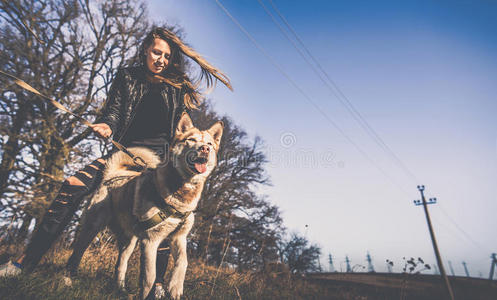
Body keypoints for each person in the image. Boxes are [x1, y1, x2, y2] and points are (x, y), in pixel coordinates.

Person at [0, 27, 231, 287]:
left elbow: (182, 131)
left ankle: (157, 286)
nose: (161, 60)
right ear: (146, 49)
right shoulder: (127, 77)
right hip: (122, 156)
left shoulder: (176, 89)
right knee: (72, 186)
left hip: (157, 163)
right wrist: (107, 125)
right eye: (157, 52)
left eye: (167, 56)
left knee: (166, 214)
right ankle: (24, 262)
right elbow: (113, 112)